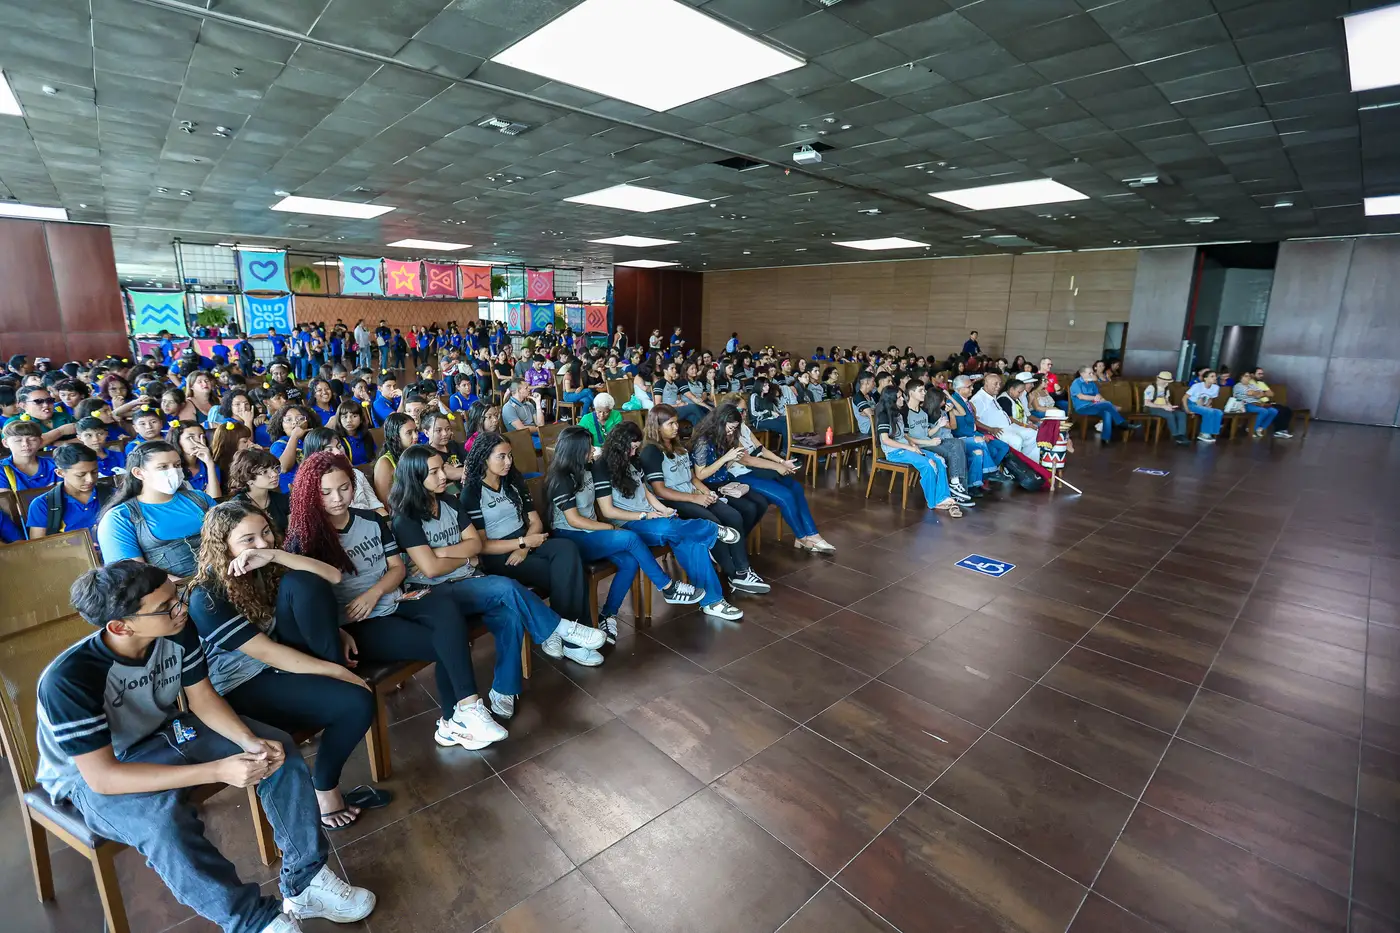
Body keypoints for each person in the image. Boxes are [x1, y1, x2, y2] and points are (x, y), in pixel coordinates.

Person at [39, 561, 376, 933]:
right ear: (121, 626)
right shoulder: (69, 679)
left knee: (274, 750)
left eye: (176, 597)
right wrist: (219, 770)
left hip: (164, 733)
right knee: (161, 821)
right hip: (92, 774)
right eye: (166, 607)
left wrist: (248, 741)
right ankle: (251, 921)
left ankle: (305, 882)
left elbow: (202, 700)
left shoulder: (177, 629)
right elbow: (104, 778)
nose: (181, 608)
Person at [283, 450, 510, 750]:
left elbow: (397, 567)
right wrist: (337, 630)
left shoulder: (371, 520)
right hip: (360, 623)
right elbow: (307, 599)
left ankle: (465, 711)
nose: (337, 498)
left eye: (344, 488)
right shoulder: (308, 537)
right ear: (312, 493)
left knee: (445, 606)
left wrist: (375, 592)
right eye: (325, 492)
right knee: (446, 642)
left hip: (393, 600)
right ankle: (454, 719)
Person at [185, 501, 386, 831]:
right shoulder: (208, 596)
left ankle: (334, 681)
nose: (261, 544)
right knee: (357, 701)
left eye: (266, 533)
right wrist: (339, 672)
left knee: (303, 582)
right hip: (244, 684)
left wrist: (275, 555)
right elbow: (267, 654)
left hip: (282, 661)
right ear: (224, 546)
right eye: (247, 540)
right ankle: (326, 790)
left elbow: (332, 576)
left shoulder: (266, 565)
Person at [389, 444, 604, 709]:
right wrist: (462, 558)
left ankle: (504, 689)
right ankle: (561, 628)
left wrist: (443, 553)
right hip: (435, 592)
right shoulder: (406, 519)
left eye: (442, 468)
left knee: (510, 617)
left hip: (468, 580)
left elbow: (474, 546)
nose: (444, 476)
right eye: (434, 472)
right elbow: (431, 570)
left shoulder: (449, 502)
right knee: (504, 587)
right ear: (415, 477)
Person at [461, 432, 603, 664]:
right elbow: (482, 546)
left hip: (526, 541)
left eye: (510, 456)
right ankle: (569, 637)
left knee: (567, 549)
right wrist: (522, 544)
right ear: (484, 458)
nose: (508, 462)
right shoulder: (473, 492)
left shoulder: (513, 482)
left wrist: (525, 545)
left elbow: (535, 521)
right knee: (566, 573)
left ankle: (562, 633)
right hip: (500, 555)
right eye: (501, 457)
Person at [594, 421, 742, 620]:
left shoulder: (634, 460)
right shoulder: (601, 466)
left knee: (690, 540)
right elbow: (608, 510)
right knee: (667, 528)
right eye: (631, 448)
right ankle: (711, 529)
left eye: (636, 449)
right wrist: (644, 515)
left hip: (650, 516)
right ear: (620, 445)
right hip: (628, 523)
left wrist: (663, 509)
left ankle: (713, 601)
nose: (633, 453)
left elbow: (645, 491)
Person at [641, 407, 770, 593]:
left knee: (733, 516)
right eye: (670, 424)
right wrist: (695, 498)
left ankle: (743, 570)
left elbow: (693, 477)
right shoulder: (651, 452)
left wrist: (706, 493)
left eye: (676, 422)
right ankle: (734, 575)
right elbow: (660, 490)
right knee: (714, 522)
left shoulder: (679, 447)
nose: (676, 427)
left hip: (692, 493)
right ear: (657, 426)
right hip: (673, 501)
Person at [690, 404, 834, 554]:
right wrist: (776, 465)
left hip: (752, 469)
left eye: (745, 410)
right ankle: (802, 537)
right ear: (723, 419)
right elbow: (745, 461)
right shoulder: (709, 439)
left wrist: (780, 463)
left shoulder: (737, 430)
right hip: (738, 475)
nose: (744, 414)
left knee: (796, 488)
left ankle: (813, 534)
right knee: (785, 496)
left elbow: (756, 453)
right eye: (741, 411)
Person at [96, 442, 215, 578]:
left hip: (225, 577)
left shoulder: (200, 499)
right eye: (163, 467)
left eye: (177, 465)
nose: (173, 472)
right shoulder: (119, 517)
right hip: (173, 592)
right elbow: (134, 574)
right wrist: (192, 590)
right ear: (139, 473)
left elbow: (231, 536)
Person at [874, 386, 962, 516]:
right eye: (898, 397)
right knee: (929, 464)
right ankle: (933, 501)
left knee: (940, 460)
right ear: (891, 399)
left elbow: (904, 435)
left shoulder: (898, 414)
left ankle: (943, 497)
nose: (902, 399)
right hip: (895, 453)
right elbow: (885, 440)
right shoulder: (883, 416)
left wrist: (913, 445)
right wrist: (910, 447)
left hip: (907, 449)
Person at [26, 442, 110, 541]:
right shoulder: (43, 504)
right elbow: (39, 547)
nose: (90, 479)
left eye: (94, 472)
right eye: (80, 475)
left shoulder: (112, 494)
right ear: (60, 473)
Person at [971, 373, 1040, 459]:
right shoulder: (978, 399)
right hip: (997, 430)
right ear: (986, 383)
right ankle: (1012, 469)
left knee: (1034, 434)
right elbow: (974, 420)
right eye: (995, 384)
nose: (998, 386)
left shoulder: (992, 395)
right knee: (1016, 441)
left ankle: (1030, 464)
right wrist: (990, 429)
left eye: (1000, 383)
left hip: (1009, 426)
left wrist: (1025, 425)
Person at [228, 447, 292, 535]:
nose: (274, 474)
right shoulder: (237, 506)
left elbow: (292, 534)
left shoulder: (282, 500)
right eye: (264, 472)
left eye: (274, 468)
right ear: (248, 479)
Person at [1068, 366, 1134, 444]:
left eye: (1092, 373)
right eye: (1089, 373)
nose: (1092, 374)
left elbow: (1100, 397)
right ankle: (1121, 423)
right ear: (1082, 373)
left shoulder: (1092, 383)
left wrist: (1105, 402)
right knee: (1108, 406)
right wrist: (1095, 398)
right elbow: (1081, 396)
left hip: (1094, 406)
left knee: (1108, 411)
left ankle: (1105, 439)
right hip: (1082, 408)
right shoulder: (1076, 382)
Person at [167, 420, 222, 499]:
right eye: (190, 437)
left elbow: (215, 498)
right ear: (177, 441)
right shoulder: (171, 468)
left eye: (201, 436)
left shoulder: (210, 466)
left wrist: (209, 464)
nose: (198, 441)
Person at [373, 411, 417, 506]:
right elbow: (386, 502)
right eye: (409, 433)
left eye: (416, 431)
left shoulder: (416, 454)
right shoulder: (385, 463)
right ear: (395, 436)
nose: (416, 436)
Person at [1, 419, 58, 491]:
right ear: (5, 443)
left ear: (41, 441)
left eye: (32, 439)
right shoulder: (2, 469)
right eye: (18, 440)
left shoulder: (54, 464)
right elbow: (6, 501)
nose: (26, 444)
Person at [1142, 372, 1189, 445]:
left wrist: (1170, 406)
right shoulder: (1151, 388)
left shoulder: (1166, 388)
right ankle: (1175, 435)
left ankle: (1181, 435)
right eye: (1165, 382)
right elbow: (1147, 403)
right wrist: (1163, 406)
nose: (1166, 384)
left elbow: (1166, 400)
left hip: (1164, 407)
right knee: (1169, 415)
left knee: (1181, 414)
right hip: (1152, 408)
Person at [1232, 371, 1280, 438]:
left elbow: (1269, 393)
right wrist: (1259, 393)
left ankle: (1260, 428)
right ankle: (1251, 429)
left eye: (1249, 376)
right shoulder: (1238, 386)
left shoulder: (1252, 385)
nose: (1248, 377)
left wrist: (1259, 393)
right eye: (1246, 376)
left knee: (1273, 411)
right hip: (1245, 405)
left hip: (1257, 404)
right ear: (1240, 378)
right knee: (1263, 411)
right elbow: (1251, 393)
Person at [1249, 367, 1294, 438]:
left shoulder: (1261, 383)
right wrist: (1263, 393)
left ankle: (1282, 429)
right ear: (1252, 375)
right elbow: (1255, 395)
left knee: (1287, 410)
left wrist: (1261, 393)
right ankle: (1278, 431)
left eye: (1262, 374)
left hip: (1268, 402)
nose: (1261, 375)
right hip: (1259, 403)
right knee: (1279, 411)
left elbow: (1271, 393)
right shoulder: (1250, 383)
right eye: (1259, 374)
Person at [1186, 370, 1225, 443]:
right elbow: (1184, 398)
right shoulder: (1197, 386)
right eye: (1212, 376)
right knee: (1209, 411)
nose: (1215, 378)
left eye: (1215, 376)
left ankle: (1212, 432)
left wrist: (1207, 405)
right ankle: (1204, 434)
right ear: (1205, 378)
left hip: (1203, 405)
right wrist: (1187, 409)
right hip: (1192, 404)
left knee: (1219, 412)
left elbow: (1210, 398)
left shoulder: (1216, 387)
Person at [501, 380, 542, 449]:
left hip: (534, 434)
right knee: (548, 442)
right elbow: (521, 429)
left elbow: (541, 424)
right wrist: (539, 429)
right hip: (520, 438)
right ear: (518, 390)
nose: (529, 389)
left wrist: (538, 404)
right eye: (526, 388)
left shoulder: (529, 404)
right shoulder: (508, 407)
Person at [334, 400, 376, 465]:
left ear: (361, 419)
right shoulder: (336, 440)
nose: (349, 420)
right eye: (345, 417)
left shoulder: (366, 435)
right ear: (339, 419)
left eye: (354, 416)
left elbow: (373, 457)